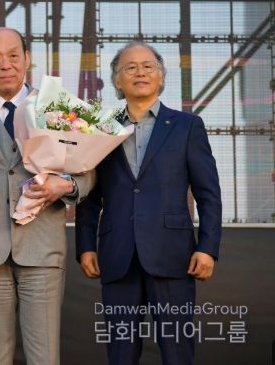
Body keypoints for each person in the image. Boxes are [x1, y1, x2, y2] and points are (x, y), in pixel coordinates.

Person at [0, 27, 95, 365]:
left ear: (27, 58)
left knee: (44, 357)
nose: (5, 64)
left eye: (13, 55)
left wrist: (65, 185)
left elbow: (87, 170)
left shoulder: (58, 109)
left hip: (42, 249)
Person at [76, 41, 222, 365]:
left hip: (173, 256)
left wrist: (208, 248)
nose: (139, 72)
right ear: (117, 80)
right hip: (118, 256)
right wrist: (85, 245)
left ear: (161, 76)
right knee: (121, 354)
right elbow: (89, 194)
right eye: (130, 67)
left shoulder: (187, 126)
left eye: (148, 66)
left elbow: (208, 193)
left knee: (177, 353)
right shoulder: (100, 129)